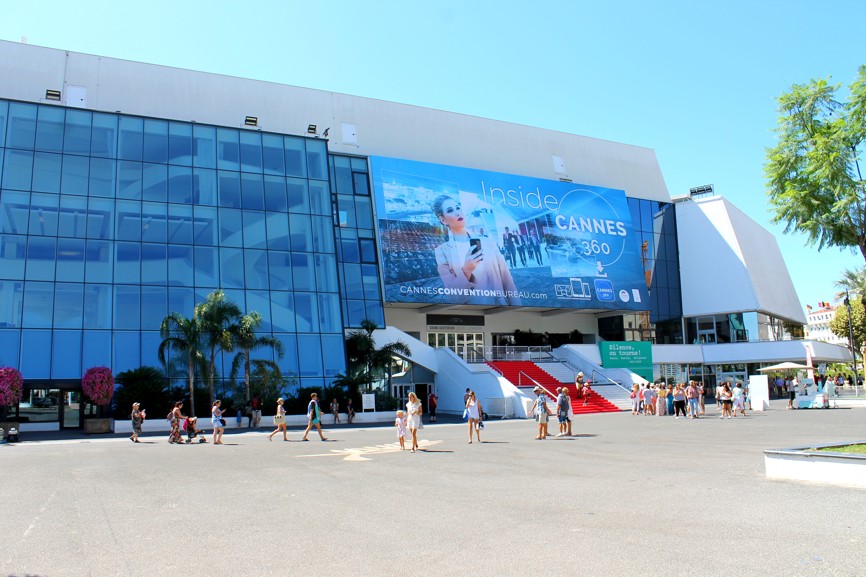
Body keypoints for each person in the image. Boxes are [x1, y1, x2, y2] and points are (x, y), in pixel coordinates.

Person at [431, 195, 521, 305]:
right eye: (450, 210)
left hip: (499, 309)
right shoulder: (442, 251)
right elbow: (453, 298)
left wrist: (516, 308)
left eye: (458, 207)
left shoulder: (488, 243)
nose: (458, 213)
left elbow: (507, 282)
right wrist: (466, 270)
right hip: (469, 315)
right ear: (443, 220)